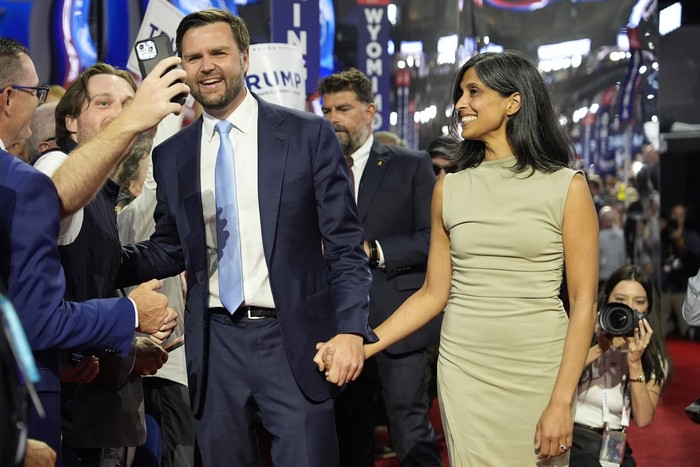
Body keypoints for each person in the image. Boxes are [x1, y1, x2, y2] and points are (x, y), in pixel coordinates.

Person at [116, 9, 376, 466]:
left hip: (294, 341)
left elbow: (344, 247)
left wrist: (352, 330)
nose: (207, 65)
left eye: (218, 52)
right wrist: (102, 260)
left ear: (245, 57)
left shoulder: (307, 134)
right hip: (214, 347)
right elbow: (171, 247)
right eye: (193, 57)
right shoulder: (173, 153)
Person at [316, 49, 599, 466]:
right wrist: (361, 344)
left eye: (474, 92)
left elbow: (584, 305)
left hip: (540, 366)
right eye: (460, 93)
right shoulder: (449, 186)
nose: (460, 104)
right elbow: (432, 294)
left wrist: (561, 400)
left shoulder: (566, 187)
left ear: (513, 101)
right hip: (463, 367)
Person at [0, 37, 180, 464]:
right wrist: (131, 315)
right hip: (63, 412)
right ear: (70, 123)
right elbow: (39, 315)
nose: (119, 113)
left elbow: (115, 264)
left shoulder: (96, 195)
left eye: (128, 103)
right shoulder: (47, 171)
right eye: (104, 103)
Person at [318, 68, 442, 467]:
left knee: (411, 433)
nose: (333, 118)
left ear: (370, 111)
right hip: (337, 327)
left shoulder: (411, 164)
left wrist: (374, 251)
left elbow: (431, 240)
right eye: (326, 110)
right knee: (349, 439)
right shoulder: (313, 170)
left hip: (400, 325)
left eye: (344, 108)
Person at [571, 265, 672, 466]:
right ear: (607, 299)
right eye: (620, 300)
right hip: (575, 439)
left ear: (648, 308)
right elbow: (556, 380)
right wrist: (599, 347)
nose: (628, 307)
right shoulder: (585, 336)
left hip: (614, 443)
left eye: (639, 302)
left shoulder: (653, 357)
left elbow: (643, 419)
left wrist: (635, 362)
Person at [660, 203, 700, 338]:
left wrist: (681, 244)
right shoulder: (663, 236)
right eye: (674, 215)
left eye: (680, 215)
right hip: (664, 287)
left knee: (687, 331)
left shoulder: (691, 237)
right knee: (661, 330)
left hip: (683, 289)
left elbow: (695, 262)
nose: (677, 218)